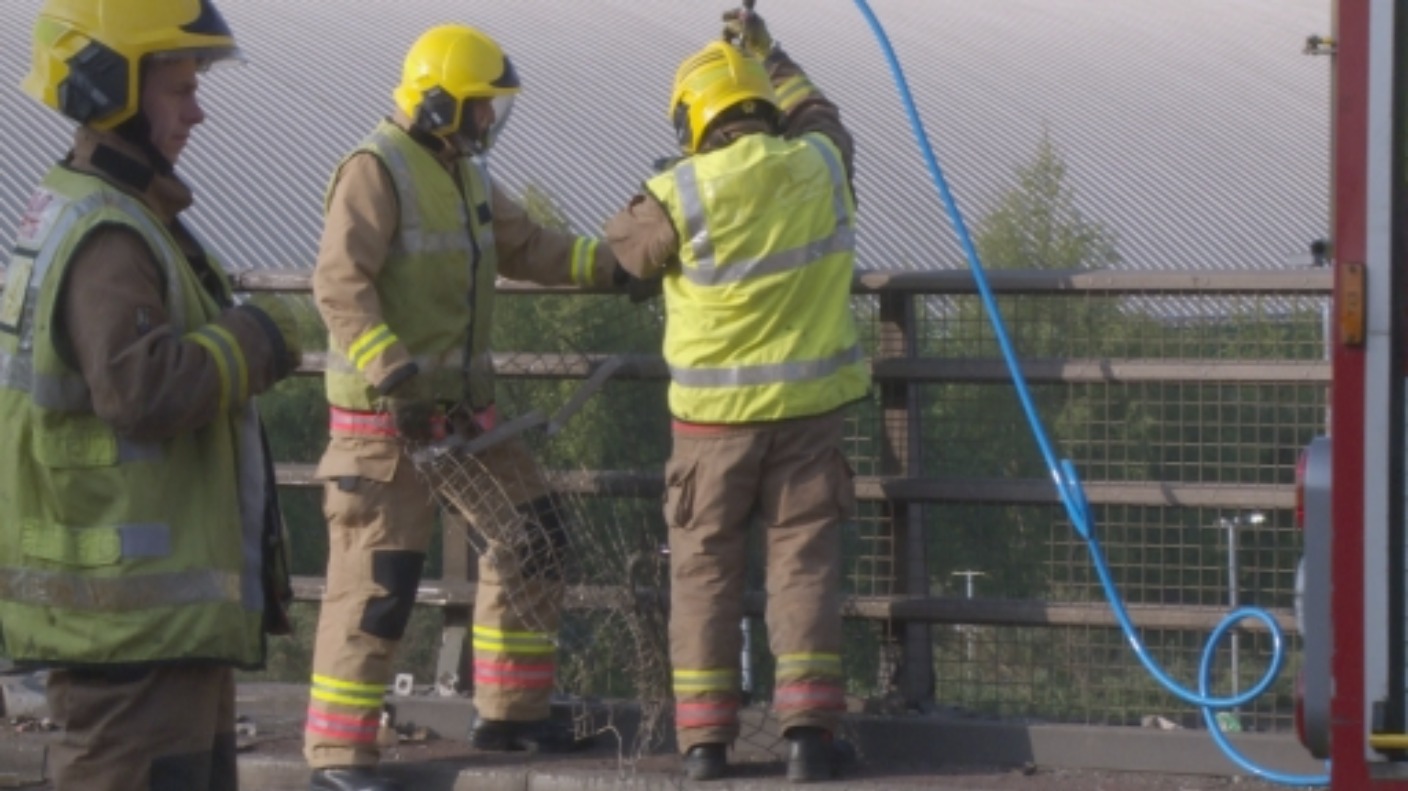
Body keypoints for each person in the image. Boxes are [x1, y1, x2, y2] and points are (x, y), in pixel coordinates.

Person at [303, 23, 626, 791]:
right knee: (378, 584)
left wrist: (620, 264)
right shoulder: (374, 169)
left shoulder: (465, 174)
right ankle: (339, 757)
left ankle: (512, 713)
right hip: (388, 428)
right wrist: (395, 374)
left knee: (534, 535)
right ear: (442, 102)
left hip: (462, 422)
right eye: (482, 108)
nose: (490, 122)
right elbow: (340, 286)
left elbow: (533, 247)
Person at [0, 1, 302, 789]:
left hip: (149, 634)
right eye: (178, 87)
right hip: (126, 633)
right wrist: (251, 342)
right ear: (110, 88)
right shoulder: (108, 234)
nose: (197, 110)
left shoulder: (108, 209)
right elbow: (140, 389)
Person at [602, 7, 869, 785]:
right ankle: (808, 740)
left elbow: (623, 254)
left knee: (704, 575)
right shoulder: (821, 164)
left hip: (710, 430)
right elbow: (825, 117)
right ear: (764, 105)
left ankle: (704, 746)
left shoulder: (679, 190)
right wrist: (772, 52)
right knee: (804, 566)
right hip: (808, 419)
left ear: (695, 119)